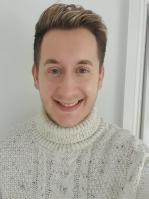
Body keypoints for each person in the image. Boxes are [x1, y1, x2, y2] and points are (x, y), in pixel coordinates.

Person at [0, 3, 149, 199]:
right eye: (54, 70)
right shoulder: (5, 158)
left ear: (100, 77)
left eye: (82, 70)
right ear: (36, 76)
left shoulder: (135, 162)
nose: (68, 90)